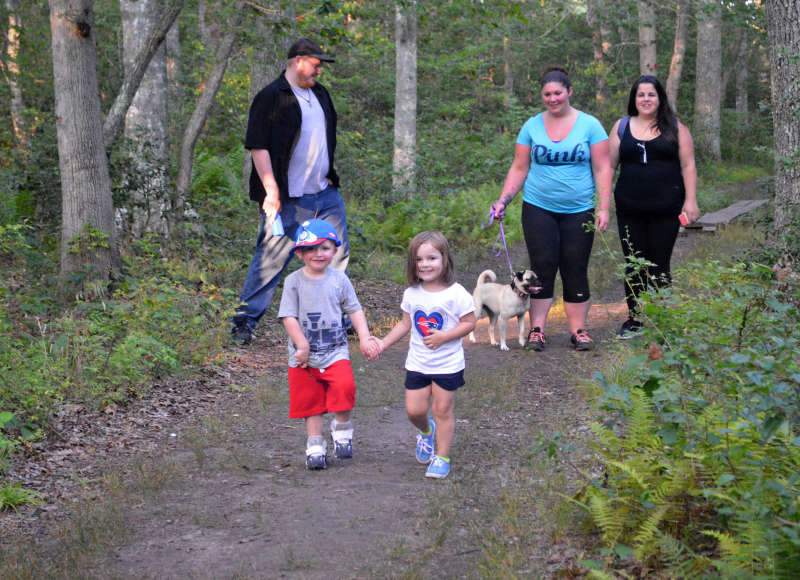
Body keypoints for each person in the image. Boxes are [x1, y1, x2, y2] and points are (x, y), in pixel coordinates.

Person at [232, 38, 349, 344]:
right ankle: (244, 322)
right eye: (316, 64)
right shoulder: (271, 97)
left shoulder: (320, 94)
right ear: (298, 61)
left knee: (336, 254)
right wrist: (271, 192)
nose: (319, 72)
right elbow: (258, 147)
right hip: (287, 199)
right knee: (272, 258)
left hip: (325, 193)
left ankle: (337, 317)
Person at [489, 67, 612, 351]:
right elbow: (520, 168)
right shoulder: (531, 126)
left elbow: (603, 168)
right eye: (547, 94)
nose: (553, 98)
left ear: (569, 92)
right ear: (541, 96)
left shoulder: (590, 125)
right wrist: (503, 200)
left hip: (579, 209)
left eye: (558, 92)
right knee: (541, 270)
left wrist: (603, 208)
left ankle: (579, 331)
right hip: (538, 208)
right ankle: (537, 331)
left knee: (575, 267)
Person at [277, 219, 379, 470]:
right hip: (303, 356)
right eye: (310, 249)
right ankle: (315, 444)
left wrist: (364, 336)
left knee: (344, 387)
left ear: (334, 250)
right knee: (310, 401)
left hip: (335, 351)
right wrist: (301, 344)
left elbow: (354, 310)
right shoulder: (293, 282)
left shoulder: (339, 280)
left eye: (324, 247)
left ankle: (342, 427)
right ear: (300, 253)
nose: (318, 254)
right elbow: (288, 316)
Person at [374, 231, 476, 479]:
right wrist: (382, 344)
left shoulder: (457, 293)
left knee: (443, 410)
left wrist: (444, 336)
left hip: (447, 365)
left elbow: (470, 323)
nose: (425, 264)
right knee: (414, 411)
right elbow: (405, 324)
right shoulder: (412, 293)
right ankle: (426, 431)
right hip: (418, 363)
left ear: (444, 259)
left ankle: (442, 457)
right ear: (413, 264)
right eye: (419, 260)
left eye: (432, 258)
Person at [609, 75, 699, 339]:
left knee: (659, 263)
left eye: (651, 94)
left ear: (660, 98)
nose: (645, 99)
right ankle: (635, 319)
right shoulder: (621, 127)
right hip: (629, 207)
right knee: (634, 263)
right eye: (641, 94)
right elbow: (608, 166)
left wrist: (690, 201)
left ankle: (662, 318)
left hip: (666, 208)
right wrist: (601, 200)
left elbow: (688, 165)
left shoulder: (676, 127)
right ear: (633, 99)